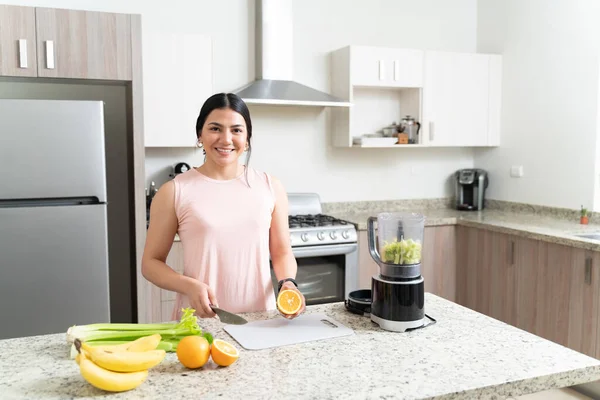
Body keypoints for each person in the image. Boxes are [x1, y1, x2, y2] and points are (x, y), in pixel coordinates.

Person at [141, 92, 306, 320]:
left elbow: (281, 251)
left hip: (261, 319)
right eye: (215, 128)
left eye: (236, 130)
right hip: (200, 322)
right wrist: (188, 286)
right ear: (200, 134)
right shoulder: (174, 191)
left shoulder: (271, 187)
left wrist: (288, 282)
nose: (226, 139)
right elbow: (151, 263)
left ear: (247, 138)